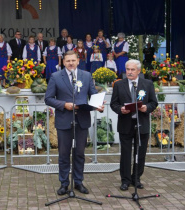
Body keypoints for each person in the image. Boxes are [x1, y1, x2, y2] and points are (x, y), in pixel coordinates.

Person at [45, 50, 105, 196]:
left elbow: (93, 94)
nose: (71, 63)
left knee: (79, 153)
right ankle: (64, 184)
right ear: (63, 62)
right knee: (64, 154)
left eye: (73, 60)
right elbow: (48, 98)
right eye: (68, 61)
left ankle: (78, 182)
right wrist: (64, 105)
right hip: (64, 120)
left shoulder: (86, 75)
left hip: (82, 120)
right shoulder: (56, 76)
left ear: (78, 61)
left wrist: (98, 105)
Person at [110, 59, 158, 191]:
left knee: (140, 153)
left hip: (141, 123)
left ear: (139, 71)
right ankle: (125, 180)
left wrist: (146, 108)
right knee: (125, 154)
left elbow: (154, 103)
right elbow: (113, 104)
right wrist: (120, 109)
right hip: (125, 124)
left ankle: (136, 178)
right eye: (128, 70)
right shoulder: (119, 85)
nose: (129, 72)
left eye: (132, 70)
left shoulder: (147, 84)